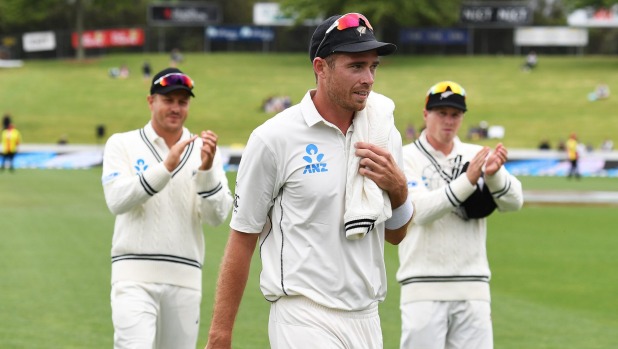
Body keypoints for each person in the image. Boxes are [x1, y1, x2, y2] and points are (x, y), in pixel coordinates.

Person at [205, 13, 412, 349]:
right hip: (302, 316)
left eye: (373, 67)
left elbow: (396, 235)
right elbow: (243, 238)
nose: (369, 79)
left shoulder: (383, 134)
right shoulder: (274, 138)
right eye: (356, 66)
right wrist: (220, 334)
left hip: (367, 317)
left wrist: (399, 191)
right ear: (321, 67)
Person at [101, 67, 233, 349]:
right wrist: (165, 168)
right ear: (151, 101)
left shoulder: (205, 150)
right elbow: (117, 200)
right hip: (133, 277)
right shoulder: (122, 144)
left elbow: (217, 217)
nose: (176, 108)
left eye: (182, 102)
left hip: (185, 279)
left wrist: (207, 170)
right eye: (168, 100)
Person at [396, 81, 524, 349]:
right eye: (441, 113)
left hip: (473, 287)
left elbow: (514, 202)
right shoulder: (405, 157)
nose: (448, 121)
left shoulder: (476, 154)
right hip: (422, 287)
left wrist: (494, 174)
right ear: (425, 114)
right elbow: (419, 212)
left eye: (455, 114)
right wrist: (469, 180)